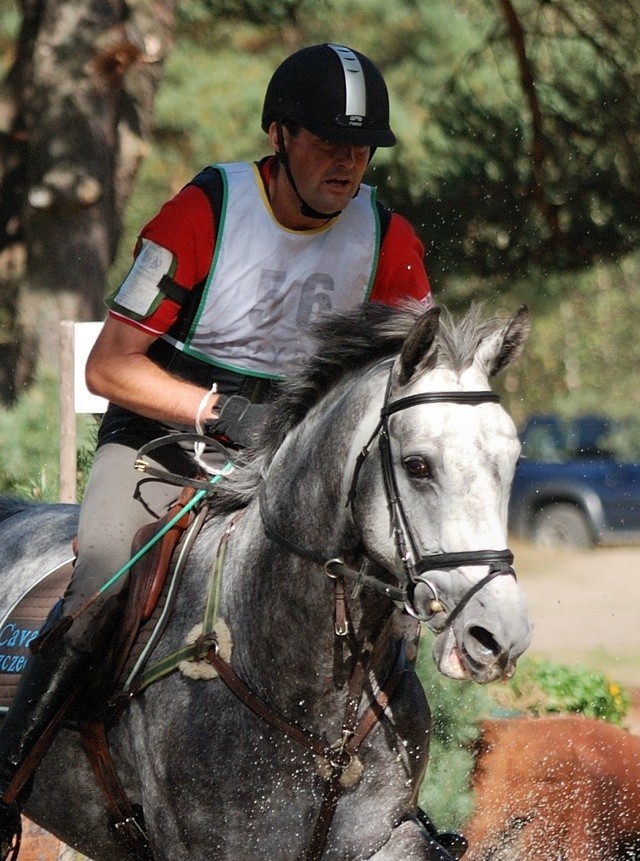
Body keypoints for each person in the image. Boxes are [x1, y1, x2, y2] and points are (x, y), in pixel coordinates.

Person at [0, 42, 433, 855]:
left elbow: (407, 385)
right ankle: (8, 776)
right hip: (166, 441)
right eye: (327, 141)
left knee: (390, 592)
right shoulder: (203, 212)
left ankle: (394, 803)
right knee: (101, 574)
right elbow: (110, 366)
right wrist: (213, 407)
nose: (347, 163)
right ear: (278, 134)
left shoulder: (389, 238)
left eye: (361, 147)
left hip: (294, 466)